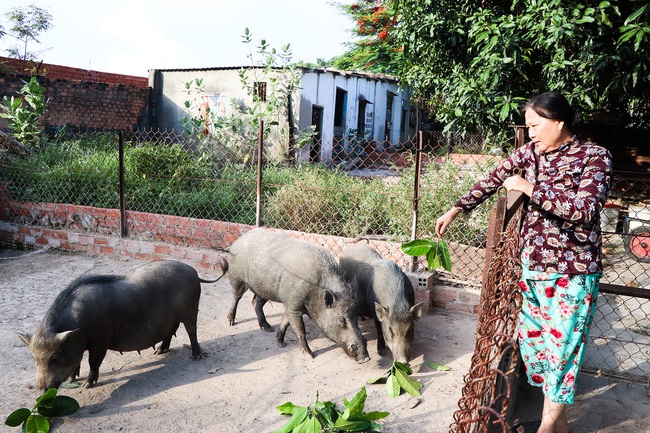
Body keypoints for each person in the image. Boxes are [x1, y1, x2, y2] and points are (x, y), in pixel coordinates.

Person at [436, 91, 613, 433]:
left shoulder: (594, 157)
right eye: (528, 126)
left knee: (563, 355)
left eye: (536, 125)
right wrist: (456, 208)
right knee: (539, 351)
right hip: (532, 267)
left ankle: (548, 428)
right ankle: (558, 427)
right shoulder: (529, 153)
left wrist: (530, 189)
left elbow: (585, 210)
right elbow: (491, 179)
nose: (530, 132)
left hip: (572, 272)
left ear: (559, 122)